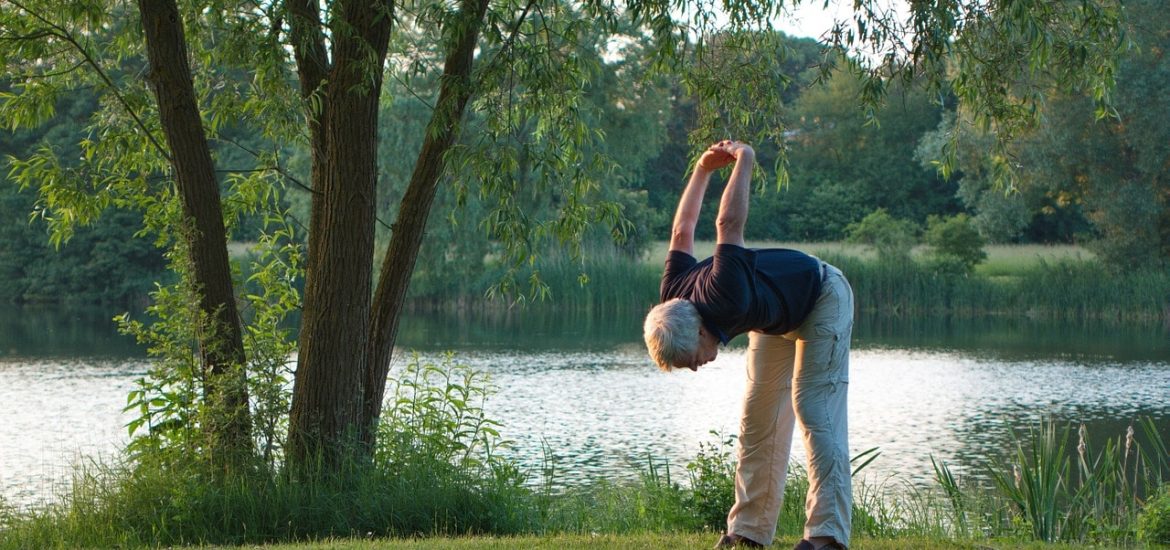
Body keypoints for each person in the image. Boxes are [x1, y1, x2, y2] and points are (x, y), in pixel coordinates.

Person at [643, 140, 854, 550]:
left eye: (690, 361)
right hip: (775, 317)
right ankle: (749, 533)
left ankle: (827, 536)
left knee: (814, 410)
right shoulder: (673, 294)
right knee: (758, 420)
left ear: (701, 331)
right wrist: (702, 169)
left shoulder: (724, 294)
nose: (696, 367)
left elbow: (728, 225)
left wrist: (745, 160)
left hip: (823, 296)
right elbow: (681, 230)